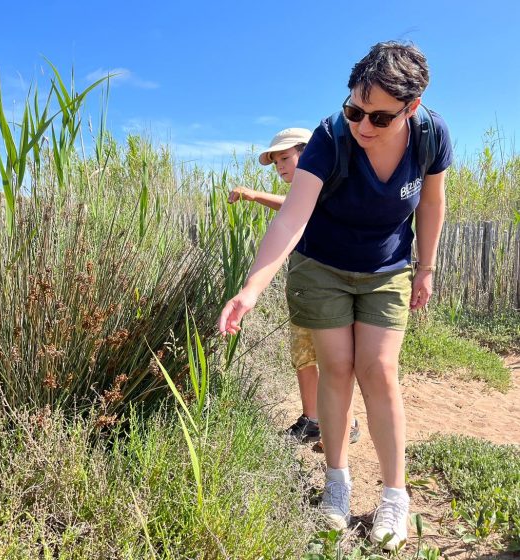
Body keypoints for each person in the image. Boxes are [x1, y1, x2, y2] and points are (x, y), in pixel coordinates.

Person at [219, 42, 452, 551]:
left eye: (380, 117)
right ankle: (337, 485)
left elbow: (431, 203)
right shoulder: (329, 136)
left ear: (412, 107)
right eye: (354, 110)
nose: (363, 126)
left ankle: (395, 495)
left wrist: (426, 268)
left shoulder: (431, 136)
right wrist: (251, 287)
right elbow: (292, 215)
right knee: (338, 368)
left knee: (379, 369)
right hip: (321, 265)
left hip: (387, 267)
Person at [228, 128, 360, 448]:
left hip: (328, 287)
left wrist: (254, 195)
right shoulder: (304, 191)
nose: (281, 167)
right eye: (276, 162)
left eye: (286, 158)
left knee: (333, 357)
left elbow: (294, 207)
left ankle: (346, 421)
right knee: (303, 355)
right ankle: (312, 420)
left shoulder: (325, 185)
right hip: (302, 285)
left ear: (308, 153)